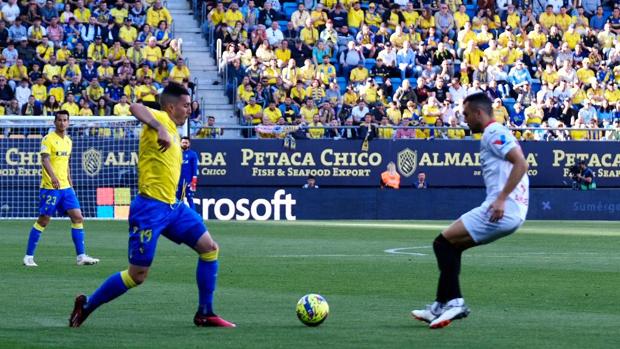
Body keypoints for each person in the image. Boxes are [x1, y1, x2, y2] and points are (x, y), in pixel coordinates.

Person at [69, 83, 235, 328]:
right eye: (186, 105)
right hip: (150, 209)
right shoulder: (158, 118)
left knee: (210, 248)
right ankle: (87, 305)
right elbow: (136, 107)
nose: (190, 110)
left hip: (174, 208)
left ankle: (205, 313)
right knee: (137, 275)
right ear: (170, 107)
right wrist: (158, 127)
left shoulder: (176, 130)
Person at [411, 93, 529, 329]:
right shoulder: (496, 133)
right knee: (452, 246)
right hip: (511, 211)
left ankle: (455, 302)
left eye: (466, 114)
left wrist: (501, 199)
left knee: (441, 243)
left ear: (478, 113)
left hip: (502, 208)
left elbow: (521, 163)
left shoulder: (494, 132)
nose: (464, 119)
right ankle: (439, 305)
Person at [23, 110, 99, 267]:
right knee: (43, 220)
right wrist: (53, 177)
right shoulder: (48, 139)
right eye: (59, 120)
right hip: (50, 187)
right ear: (54, 122)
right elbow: (45, 160)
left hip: (66, 188)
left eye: (65, 120)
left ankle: (81, 256)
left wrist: (70, 181)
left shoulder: (69, 141)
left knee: (78, 217)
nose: (62, 123)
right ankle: (28, 256)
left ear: (68, 122)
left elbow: (67, 163)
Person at [176, 136, 199, 210]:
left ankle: (193, 217)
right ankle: (178, 217)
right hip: (178, 181)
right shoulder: (176, 154)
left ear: (189, 144)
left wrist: (194, 181)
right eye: (183, 142)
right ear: (180, 143)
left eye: (186, 143)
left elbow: (195, 168)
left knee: (190, 199)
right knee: (178, 200)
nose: (184, 144)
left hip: (188, 182)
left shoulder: (193, 154)